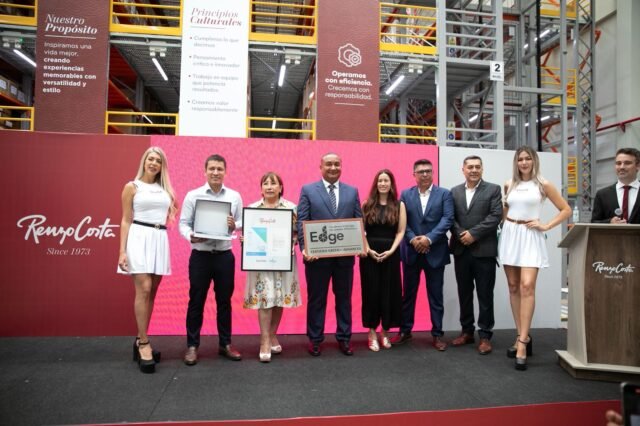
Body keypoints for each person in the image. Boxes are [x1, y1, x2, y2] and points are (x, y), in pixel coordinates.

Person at [499, 146, 571, 371]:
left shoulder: (543, 184)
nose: (523, 162)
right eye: (520, 159)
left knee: (527, 286)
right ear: (516, 162)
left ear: (534, 161)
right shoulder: (509, 184)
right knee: (513, 286)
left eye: (527, 158)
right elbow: (506, 211)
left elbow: (566, 209)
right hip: (510, 235)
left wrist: (546, 225)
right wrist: (502, 226)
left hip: (531, 236)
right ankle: (522, 336)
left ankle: (522, 343)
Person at [118, 146, 178, 374]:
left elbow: (169, 214)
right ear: (144, 161)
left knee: (151, 291)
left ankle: (139, 338)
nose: (154, 163)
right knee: (143, 288)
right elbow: (125, 220)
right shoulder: (131, 187)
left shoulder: (165, 191)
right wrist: (122, 251)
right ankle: (144, 343)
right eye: (150, 159)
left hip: (159, 238)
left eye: (158, 161)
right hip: (138, 237)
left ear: (162, 166)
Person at [179, 154, 243, 365]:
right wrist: (191, 236)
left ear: (225, 172)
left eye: (219, 169)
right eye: (212, 169)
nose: (216, 172)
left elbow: (241, 221)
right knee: (196, 300)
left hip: (224, 256)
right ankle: (192, 346)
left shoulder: (234, 196)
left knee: (224, 301)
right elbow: (183, 224)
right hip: (201, 256)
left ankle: (225, 344)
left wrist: (234, 225)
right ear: (205, 171)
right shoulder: (193, 195)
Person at [297, 152, 362, 357]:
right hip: (317, 259)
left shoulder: (352, 191)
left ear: (341, 166)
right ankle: (315, 339)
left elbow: (358, 220)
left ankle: (344, 337)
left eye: (336, 164)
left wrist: (360, 243)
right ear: (321, 167)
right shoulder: (308, 190)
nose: (333, 168)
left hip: (344, 259)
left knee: (344, 299)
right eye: (329, 164)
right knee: (317, 300)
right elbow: (302, 221)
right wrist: (305, 248)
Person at [392, 159, 454, 351]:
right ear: (414, 175)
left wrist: (428, 239)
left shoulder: (444, 194)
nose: (425, 174)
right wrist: (413, 240)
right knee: (408, 295)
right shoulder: (406, 194)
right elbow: (402, 221)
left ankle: (437, 334)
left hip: (435, 252)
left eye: (428, 171)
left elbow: (447, 219)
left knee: (436, 296)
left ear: (433, 173)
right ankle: (405, 331)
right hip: (411, 252)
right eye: (421, 172)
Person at [243, 172, 301, 363]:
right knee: (265, 298)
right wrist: (246, 239)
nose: (269, 187)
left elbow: (298, 232)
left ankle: (272, 334)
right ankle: (265, 341)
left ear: (280, 187)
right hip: (261, 262)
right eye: (265, 183)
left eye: (273, 183)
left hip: (283, 260)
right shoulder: (253, 209)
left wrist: (292, 241)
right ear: (261, 188)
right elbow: (248, 233)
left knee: (279, 298)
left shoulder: (292, 208)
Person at [449, 155, 503, 355]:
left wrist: (473, 234)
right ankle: (467, 332)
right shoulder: (454, 191)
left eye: (477, 167)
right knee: (464, 293)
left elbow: (495, 216)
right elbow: (450, 218)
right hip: (461, 250)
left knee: (485, 295)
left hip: (484, 251)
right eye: (470, 167)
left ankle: (485, 336)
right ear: (463, 169)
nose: (473, 170)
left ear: (482, 169)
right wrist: (461, 234)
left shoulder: (493, 189)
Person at [359, 169, 406, 352]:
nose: (383, 184)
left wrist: (392, 250)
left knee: (389, 293)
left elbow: (401, 231)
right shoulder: (366, 204)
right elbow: (360, 230)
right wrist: (368, 250)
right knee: (371, 293)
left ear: (391, 183)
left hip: (391, 254)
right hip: (369, 255)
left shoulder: (399, 205)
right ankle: (371, 333)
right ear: (376, 184)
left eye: (386, 180)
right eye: (380, 181)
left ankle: (385, 332)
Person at [591, 147, 640, 224]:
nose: (622, 167)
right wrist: (609, 222)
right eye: (618, 163)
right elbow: (594, 222)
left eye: (627, 163)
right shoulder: (602, 195)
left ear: (638, 166)